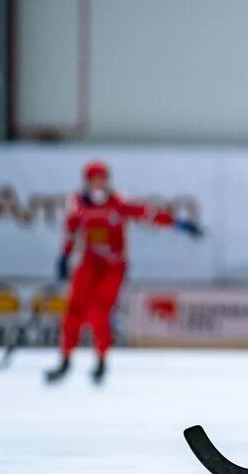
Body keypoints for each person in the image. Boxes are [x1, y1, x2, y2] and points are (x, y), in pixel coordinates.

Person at [45, 161, 202, 384]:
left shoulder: (119, 202)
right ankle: (65, 360)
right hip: (88, 264)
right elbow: (70, 232)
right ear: (87, 181)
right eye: (94, 179)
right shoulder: (78, 204)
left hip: (113, 266)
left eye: (102, 178)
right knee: (74, 310)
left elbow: (149, 215)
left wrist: (178, 224)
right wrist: (63, 257)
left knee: (99, 312)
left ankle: (100, 361)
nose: (99, 184)